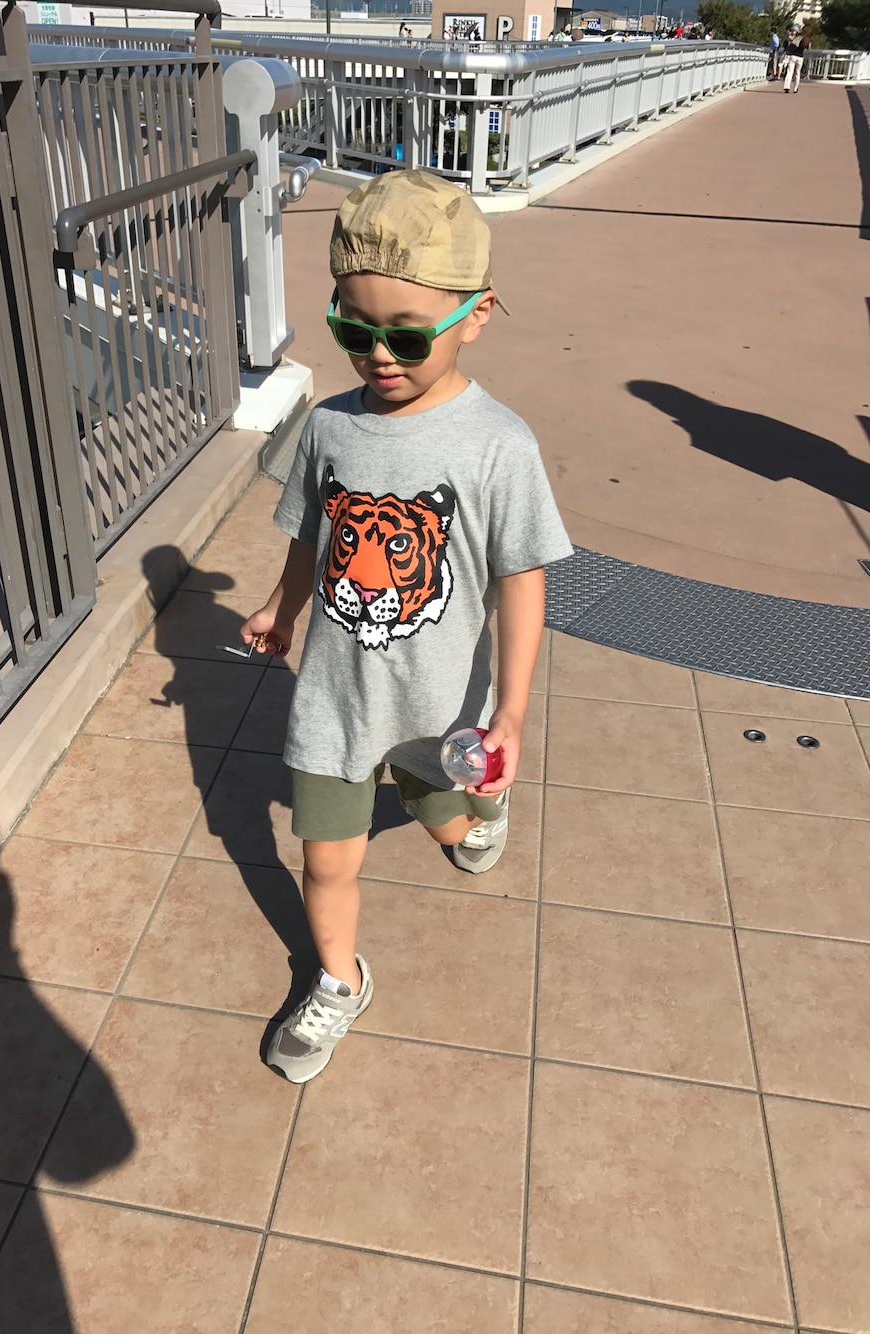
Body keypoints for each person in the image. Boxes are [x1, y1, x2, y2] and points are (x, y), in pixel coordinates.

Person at [241, 171, 572, 1084]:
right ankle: (338, 980)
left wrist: (511, 712)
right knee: (325, 861)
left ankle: (477, 813)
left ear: (476, 314)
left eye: (407, 334)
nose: (378, 355)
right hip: (335, 703)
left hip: (442, 704)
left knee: (448, 824)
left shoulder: (499, 444)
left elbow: (523, 580)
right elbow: (314, 537)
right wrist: (281, 608)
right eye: (353, 331)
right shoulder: (328, 426)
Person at [782, 23, 804, 92]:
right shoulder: (802, 38)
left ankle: (787, 87)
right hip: (800, 57)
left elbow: (789, 44)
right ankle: (795, 88)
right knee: (797, 73)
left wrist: (790, 34)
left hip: (793, 56)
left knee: (789, 71)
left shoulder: (792, 38)